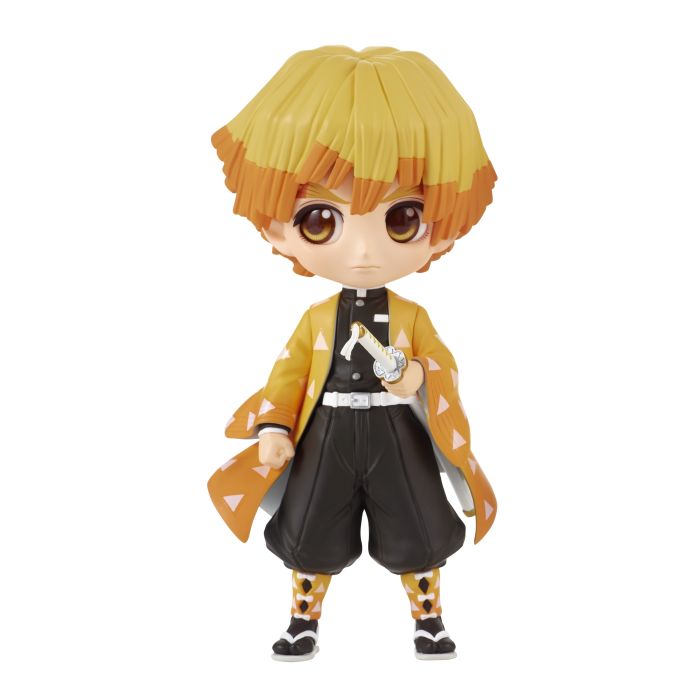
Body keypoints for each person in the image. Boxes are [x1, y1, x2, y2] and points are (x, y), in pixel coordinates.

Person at [207, 46, 498, 661]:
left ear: (442, 222)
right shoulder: (316, 320)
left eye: (403, 217)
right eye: (320, 219)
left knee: (418, 524)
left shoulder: (412, 318)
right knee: (310, 527)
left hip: (396, 431)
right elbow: (287, 376)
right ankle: (302, 620)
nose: (364, 250)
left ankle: (428, 619)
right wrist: (273, 427)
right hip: (328, 432)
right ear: (277, 224)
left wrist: (416, 375)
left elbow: (442, 365)